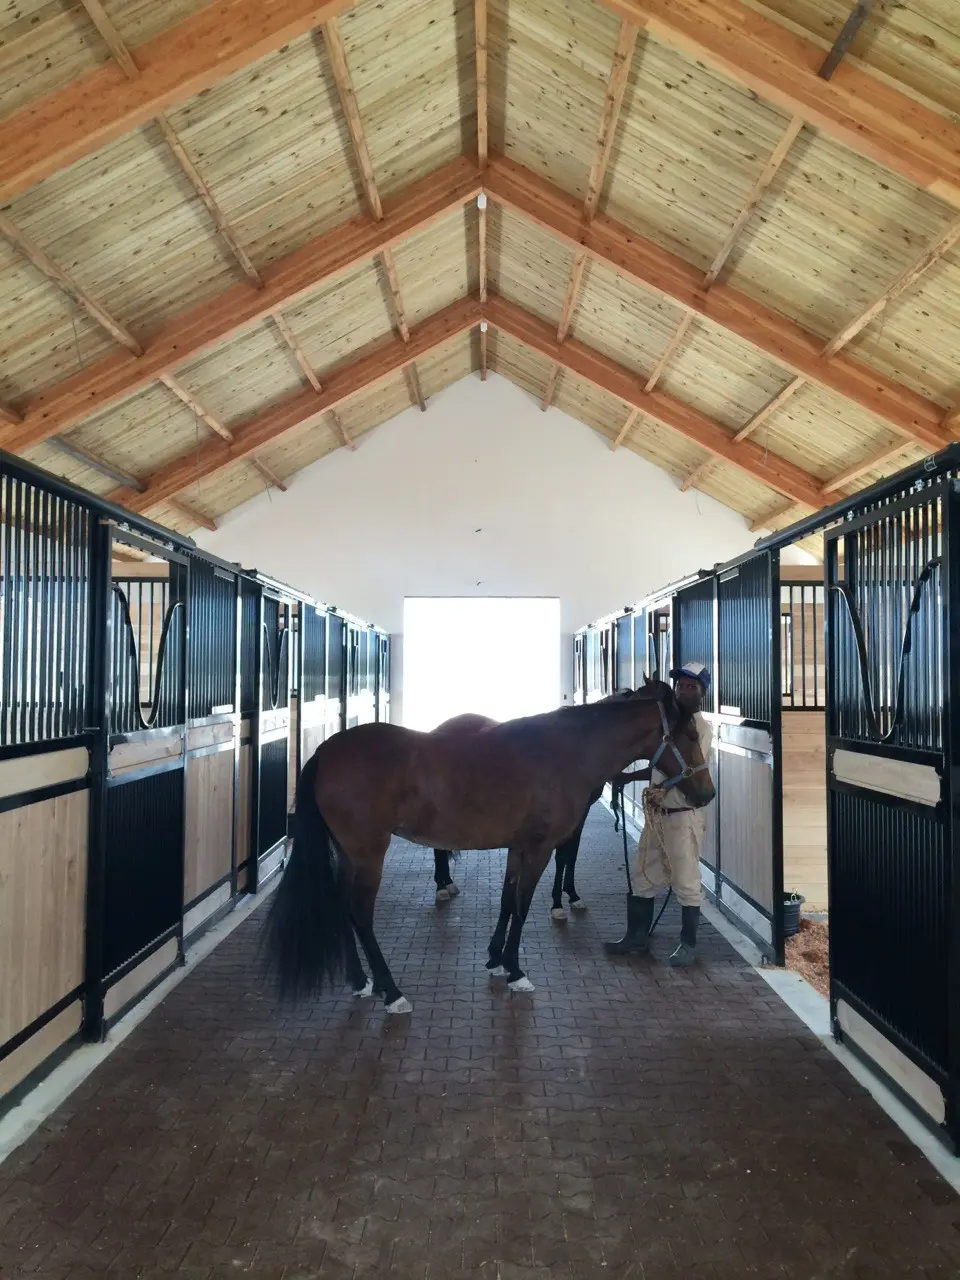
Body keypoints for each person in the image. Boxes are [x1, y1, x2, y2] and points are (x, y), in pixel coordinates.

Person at [604, 662, 714, 966]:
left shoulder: (699, 729)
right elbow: (658, 764)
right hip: (658, 814)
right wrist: (627, 777)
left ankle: (688, 944)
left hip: (682, 814)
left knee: (686, 880)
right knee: (643, 873)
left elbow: (689, 771)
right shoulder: (668, 726)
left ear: (703, 692)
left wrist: (660, 788)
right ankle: (636, 937)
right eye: (680, 685)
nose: (684, 690)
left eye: (691, 686)